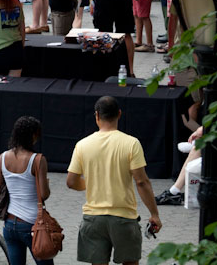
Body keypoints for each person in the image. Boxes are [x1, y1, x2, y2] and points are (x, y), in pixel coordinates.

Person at [66, 96, 161, 265]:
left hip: (93, 218)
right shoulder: (131, 143)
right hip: (124, 218)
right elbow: (141, 182)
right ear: (119, 114)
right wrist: (154, 213)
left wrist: (92, 182)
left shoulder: (82, 144)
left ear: (96, 116)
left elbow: (71, 182)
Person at [0, 116, 53, 265]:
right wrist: (46, 184)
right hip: (33, 224)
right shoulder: (38, 160)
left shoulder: (2, 158)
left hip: (10, 224)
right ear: (33, 135)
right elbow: (44, 195)